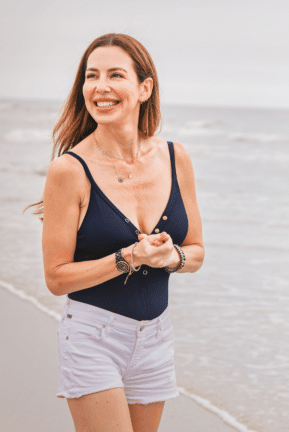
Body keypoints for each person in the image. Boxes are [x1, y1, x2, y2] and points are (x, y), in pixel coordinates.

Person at [31, 33, 204, 432]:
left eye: (115, 75)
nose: (100, 87)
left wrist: (170, 257)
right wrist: (129, 258)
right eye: (91, 76)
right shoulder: (69, 171)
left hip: (157, 337)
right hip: (93, 336)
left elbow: (195, 251)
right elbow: (56, 278)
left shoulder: (177, 158)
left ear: (144, 88)